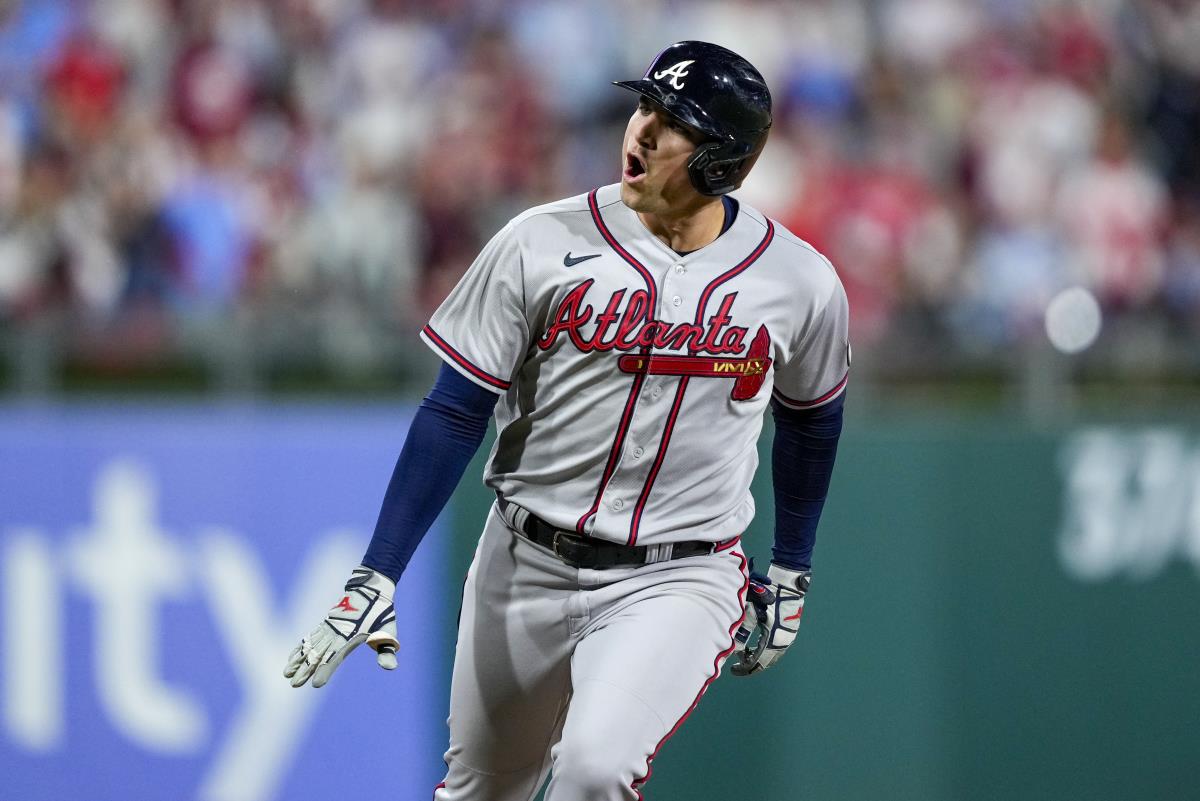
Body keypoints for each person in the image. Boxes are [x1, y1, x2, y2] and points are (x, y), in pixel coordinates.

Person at [284, 40, 849, 801]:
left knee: (593, 768)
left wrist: (790, 566)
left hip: (680, 572)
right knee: (483, 790)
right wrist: (378, 568)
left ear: (722, 160)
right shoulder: (540, 241)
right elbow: (454, 410)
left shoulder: (799, 281)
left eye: (671, 120)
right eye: (643, 105)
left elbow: (812, 421)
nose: (641, 130)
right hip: (524, 558)